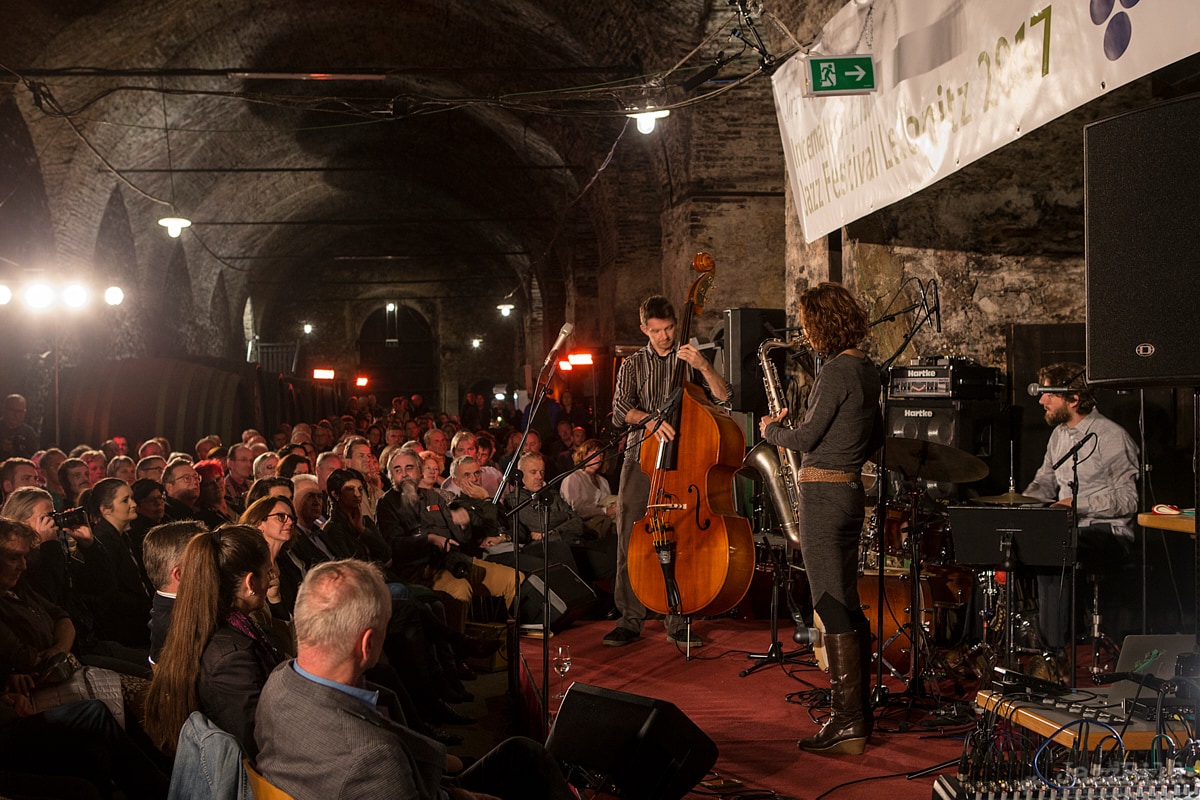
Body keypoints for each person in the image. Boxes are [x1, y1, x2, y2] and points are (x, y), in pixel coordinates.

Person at [254, 559, 576, 800]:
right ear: (368, 644)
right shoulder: (374, 758)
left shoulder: (279, 681)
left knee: (523, 754)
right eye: (387, 627)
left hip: (415, 779)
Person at [757, 282, 882, 755]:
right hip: (848, 492)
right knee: (846, 601)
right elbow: (873, 438)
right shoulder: (867, 370)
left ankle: (847, 721)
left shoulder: (836, 371)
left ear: (825, 324)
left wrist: (773, 429)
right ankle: (859, 712)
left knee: (829, 602)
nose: (807, 334)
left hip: (824, 496)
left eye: (810, 325)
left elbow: (807, 439)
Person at [604, 294, 729, 650]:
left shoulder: (690, 359)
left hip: (683, 463)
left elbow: (724, 398)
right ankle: (629, 619)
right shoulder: (632, 364)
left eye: (670, 328)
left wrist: (704, 367)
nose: (665, 336)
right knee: (629, 538)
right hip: (640, 460)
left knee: (681, 539)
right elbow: (620, 411)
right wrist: (650, 420)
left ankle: (678, 619)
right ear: (644, 329)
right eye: (657, 330)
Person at [1023, 361, 1139, 654]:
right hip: (1067, 530)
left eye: (1049, 394)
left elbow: (1129, 500)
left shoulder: (1111, 436)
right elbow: (1044, 482)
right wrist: (1018, 506)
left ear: (1073, 399)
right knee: (1012, 544)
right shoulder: (1059, 435)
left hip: (1107, 532)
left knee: (1054, 549)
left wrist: (1077, 505)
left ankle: (1056, 654)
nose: (1042, 401)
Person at [143, 525, 283, 758]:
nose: (272, 579)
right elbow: (252, 745)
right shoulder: (229, 658)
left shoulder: (223, 624)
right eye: (268, 572)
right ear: (250, 582)